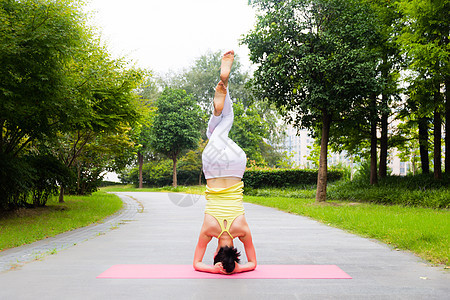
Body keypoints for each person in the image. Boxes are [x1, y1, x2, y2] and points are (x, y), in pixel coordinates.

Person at [193, 50, 257, 274]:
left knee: (223, 123)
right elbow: (196, 264)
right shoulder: (208, 229)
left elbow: (253, 264)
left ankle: (222, 95)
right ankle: (220, 96)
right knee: (214, 131)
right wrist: (216, 270)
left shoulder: (242, 230)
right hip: (212, 165)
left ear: (234, 252)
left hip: (236, 164)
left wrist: (237, 269)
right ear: (216, 255)